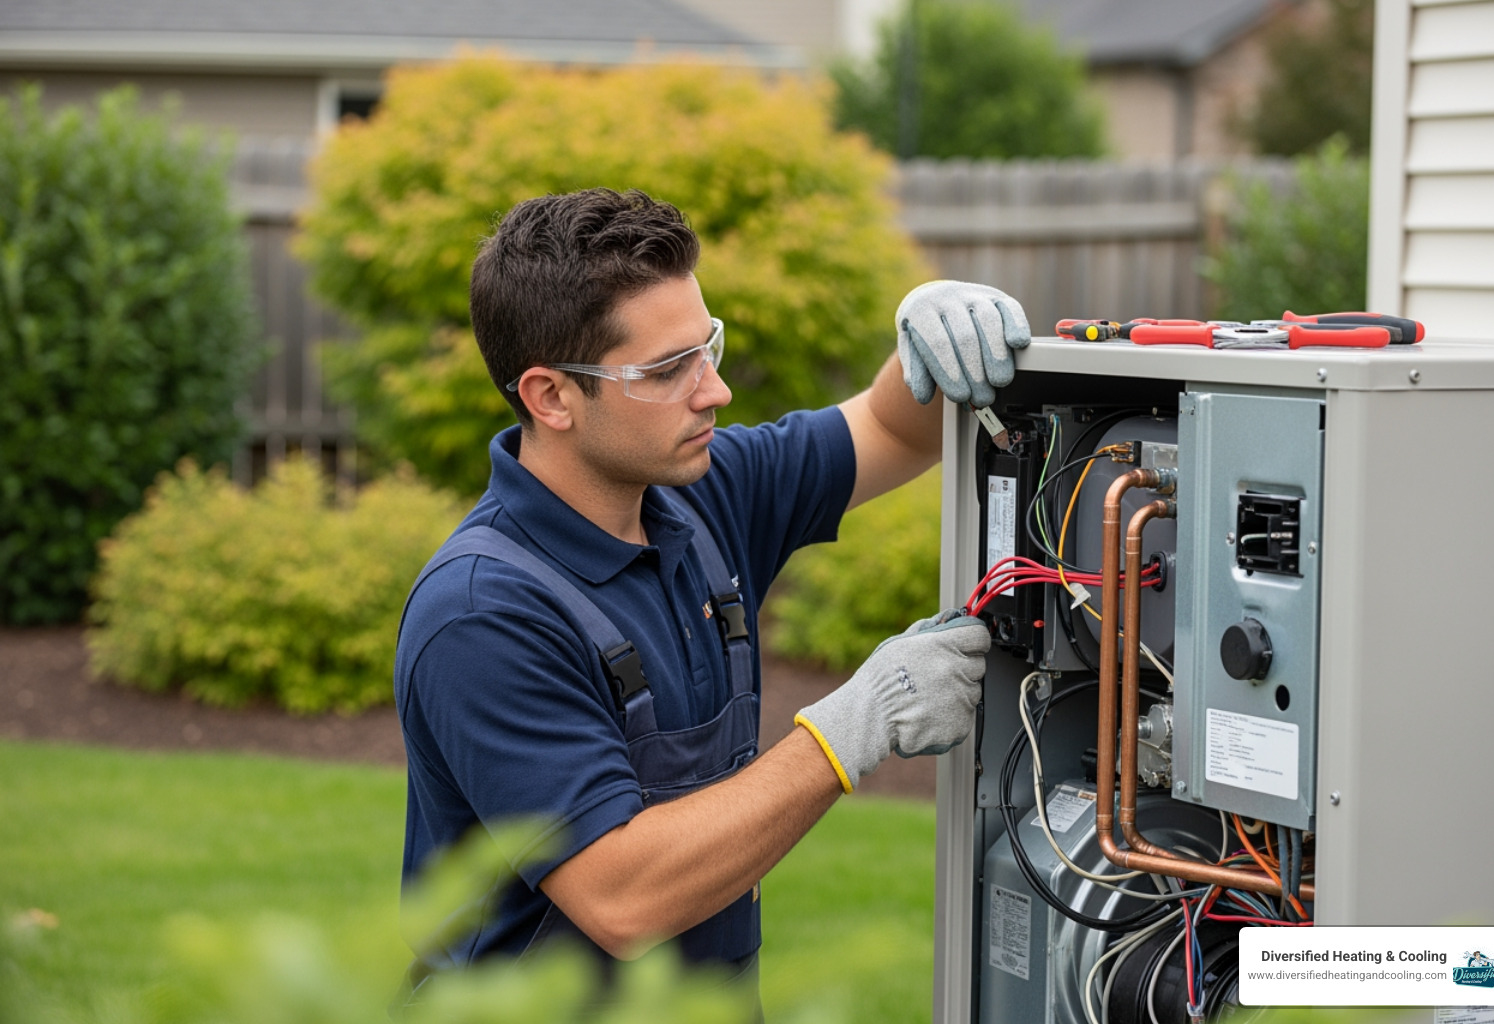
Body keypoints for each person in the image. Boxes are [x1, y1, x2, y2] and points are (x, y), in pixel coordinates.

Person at [392, 187, 1031, 1008]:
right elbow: (624, 895)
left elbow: (896, 429)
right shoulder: (483, 613)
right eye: (666, 370)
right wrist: (851, 727)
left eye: (708, 348)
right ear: (550, 397)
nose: (714, 392)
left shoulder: (704, 493)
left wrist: (932, 331)